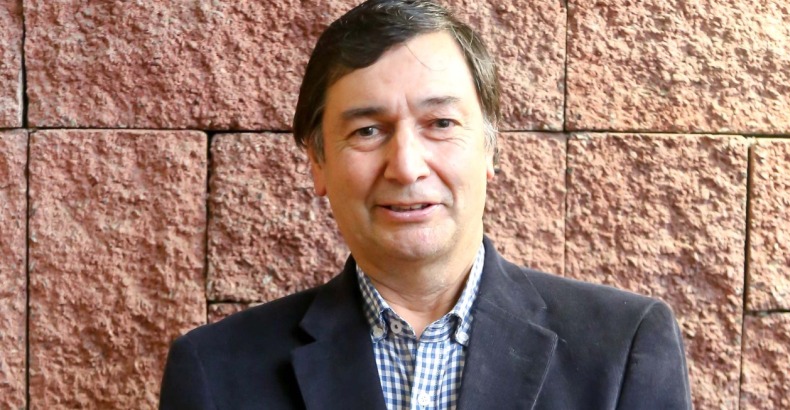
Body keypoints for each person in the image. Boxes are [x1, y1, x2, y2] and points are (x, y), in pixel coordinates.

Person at [159, 0, 692, 408]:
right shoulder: (214, 373)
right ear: (318, 162)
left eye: (440, 123)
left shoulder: (623, 348)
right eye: (368, 130)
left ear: (489, 147)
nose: (407, 166)